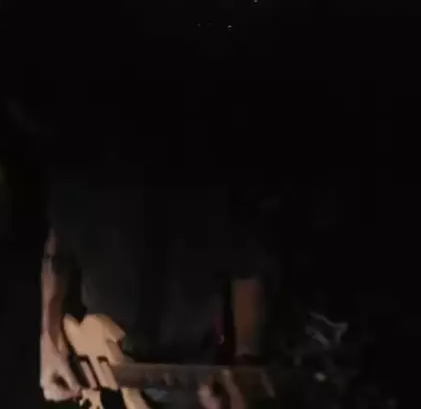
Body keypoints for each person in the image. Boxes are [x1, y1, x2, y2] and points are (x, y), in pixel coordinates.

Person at [37, 138, 269, 409]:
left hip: (192, 375)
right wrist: (49, 337)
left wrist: (245, 360)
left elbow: (247, 265)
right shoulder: (79, 159)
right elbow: (58, 244)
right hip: (98, 362)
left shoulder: (217, 167)